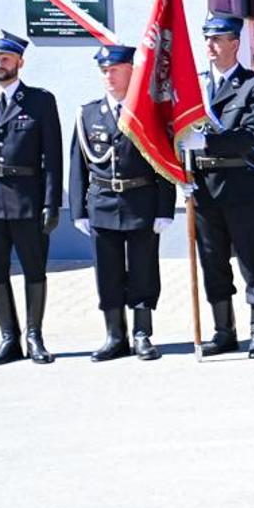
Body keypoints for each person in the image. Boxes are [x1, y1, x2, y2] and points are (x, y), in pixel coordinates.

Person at [0, 30, 63, 366]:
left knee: (34, 270)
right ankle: (8, 338)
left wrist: (51, 203)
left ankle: (34, 336)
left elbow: (53, 158)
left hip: (27, 201)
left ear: (20, 61)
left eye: (4, 58)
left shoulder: (40, 102)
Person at [70, 44, 175, 362]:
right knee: (108, 272)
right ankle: (115, 335)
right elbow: (77, 165)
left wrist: (164, 208)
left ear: (132, 70)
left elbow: (163, 163)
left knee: (143, 270)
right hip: (102, 204)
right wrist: (78, 210)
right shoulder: (87, 113)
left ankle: (142, 334)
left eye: (114, 70)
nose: (108, 76)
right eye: (104, 71)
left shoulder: (148, 112)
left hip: (140, 202)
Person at [185, 14, 254, 358]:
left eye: (217, 39)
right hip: (203, 186)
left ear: (234, 44)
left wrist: (205, 144)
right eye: (207, 38)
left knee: (251, 259)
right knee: (213, 260)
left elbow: (248, 136)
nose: (209, 45)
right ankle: (223, 330)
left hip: (240, 184)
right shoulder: (194, 86)